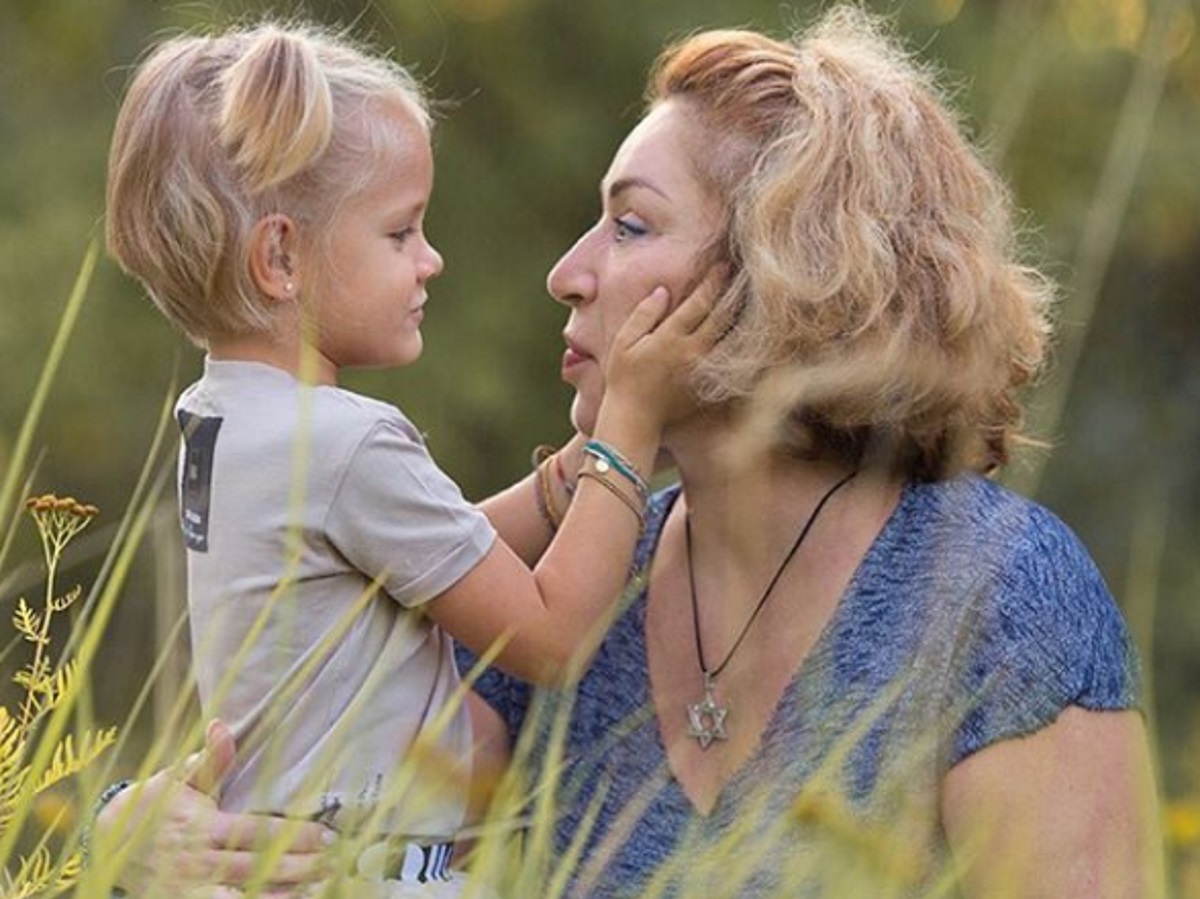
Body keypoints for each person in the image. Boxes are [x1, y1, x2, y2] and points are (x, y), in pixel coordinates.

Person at [94, 7, 1164, 898]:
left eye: (631, 226)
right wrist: (126, 830)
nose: (567, 273)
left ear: (784, 274)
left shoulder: (996, 593)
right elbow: (305, 761)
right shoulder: (584, 580)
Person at [99, 19, 715, 897]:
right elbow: (552, 638)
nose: (430, 261)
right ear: (280, 255)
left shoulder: (220, 418)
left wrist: (572, 471)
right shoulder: (345, 442)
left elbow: (426, 558)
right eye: (400, 233)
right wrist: (631, 425)